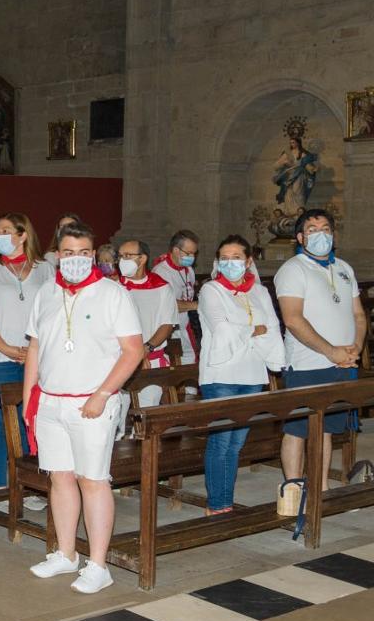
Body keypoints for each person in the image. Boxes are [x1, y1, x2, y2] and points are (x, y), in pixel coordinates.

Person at [24, 221, 143, 594]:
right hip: (51, 401)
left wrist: (103, 394)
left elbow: (133, 351)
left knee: (92, 480)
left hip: (93, 403)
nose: (76, 260)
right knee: (59, 478)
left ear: (93, 255)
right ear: (58, 255)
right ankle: (66, 553)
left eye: (84, 253)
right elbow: (35, 348)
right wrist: (31, 399)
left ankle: (98, 564)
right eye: (69, 253)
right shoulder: (46, 293)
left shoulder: (112, 294)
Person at [273, 208, 364, 487]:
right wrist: (331, 351)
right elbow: (293, 319)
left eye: (326, 229)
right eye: (313, 230)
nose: (320, 234)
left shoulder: (344, 268)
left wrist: (354, 349)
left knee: (325, 429)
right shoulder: (293, 269)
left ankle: (320, 487)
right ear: (300, 237)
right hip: (307, 364)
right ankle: (293, 489)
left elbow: (359, 315)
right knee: (298, 429)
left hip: (341, 363)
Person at [0, 213, 53, 500]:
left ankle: (29, 482)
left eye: (6, 230)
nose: (0, 235)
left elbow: (52, 313)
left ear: (23, 235)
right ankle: (1, 485)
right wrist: (5, 348)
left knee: (31, 419)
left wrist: (35, 349)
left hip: (35, 356)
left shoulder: (45, 270)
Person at [199, 235, 284, 515]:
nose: (230, 262)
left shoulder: (259, 292)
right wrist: (253, 330)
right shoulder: (212, 290)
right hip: (220, 375)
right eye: (225, 257)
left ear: (248, 261)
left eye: (236, 257)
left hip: (252, 375)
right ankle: (217, 505)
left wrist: (251, 330)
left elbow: (272, 328)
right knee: (220, 441)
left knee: (236, 444)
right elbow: (221, 329)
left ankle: (226, 502)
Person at [116, 239, 177, 409]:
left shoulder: (162, 288)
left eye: (127, 256)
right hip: (118, 360)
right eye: (120, 256)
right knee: (117, 414)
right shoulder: (114, 287)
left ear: (142, 259)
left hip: (151, 359)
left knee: (146, 415)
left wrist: (145, 348)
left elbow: (167, 325)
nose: (122, 260)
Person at [152, 229, 201, 366]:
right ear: (176, 250)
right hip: (168, 331)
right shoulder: (161, 272)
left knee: (190, 366)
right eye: (189, 253)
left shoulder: (189, 270)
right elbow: (167, 305)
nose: (192, 257)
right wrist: (198, 305)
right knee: (177, 370)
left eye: (194, 253)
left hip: (185, 326)